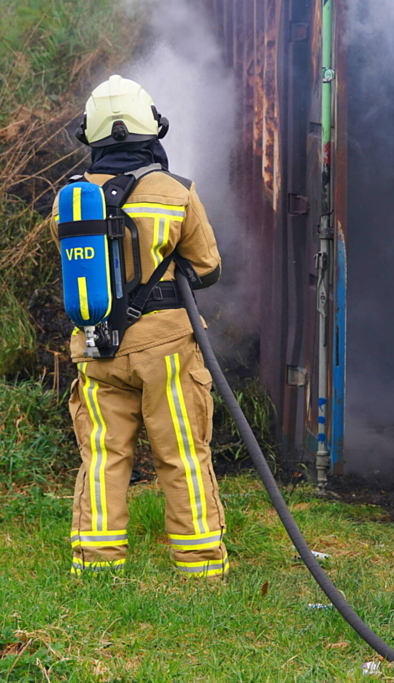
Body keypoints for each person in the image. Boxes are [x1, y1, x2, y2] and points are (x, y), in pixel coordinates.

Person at [51, 75, 228, 577]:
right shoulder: (174, 191)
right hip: (165, 349)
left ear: (90, 135)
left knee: (104, 455)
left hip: (95, 346)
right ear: (154, 129)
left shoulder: (70, 199)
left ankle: (97, 562)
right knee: (181, 455)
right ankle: (199, 565)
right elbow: (209, 266)